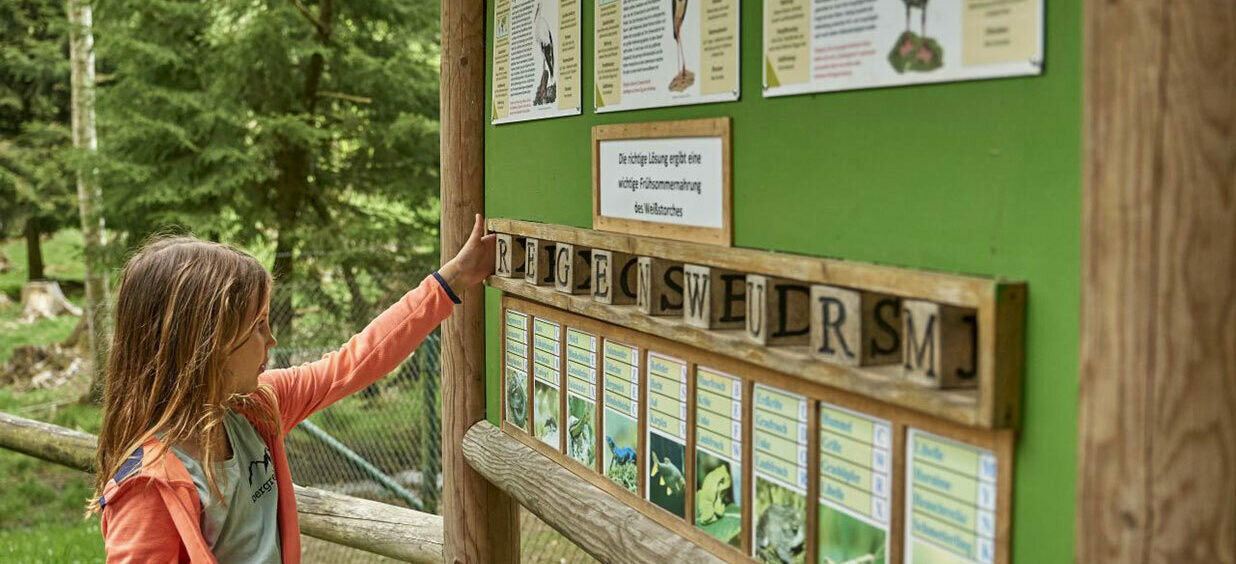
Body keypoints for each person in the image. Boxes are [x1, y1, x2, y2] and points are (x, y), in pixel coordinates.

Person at [88, 215, 495, 562]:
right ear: (205, 343)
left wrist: (455, 277)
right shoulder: (146, 487)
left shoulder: (257, 407)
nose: (272, 340)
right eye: (257, 326)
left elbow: (354, 362)